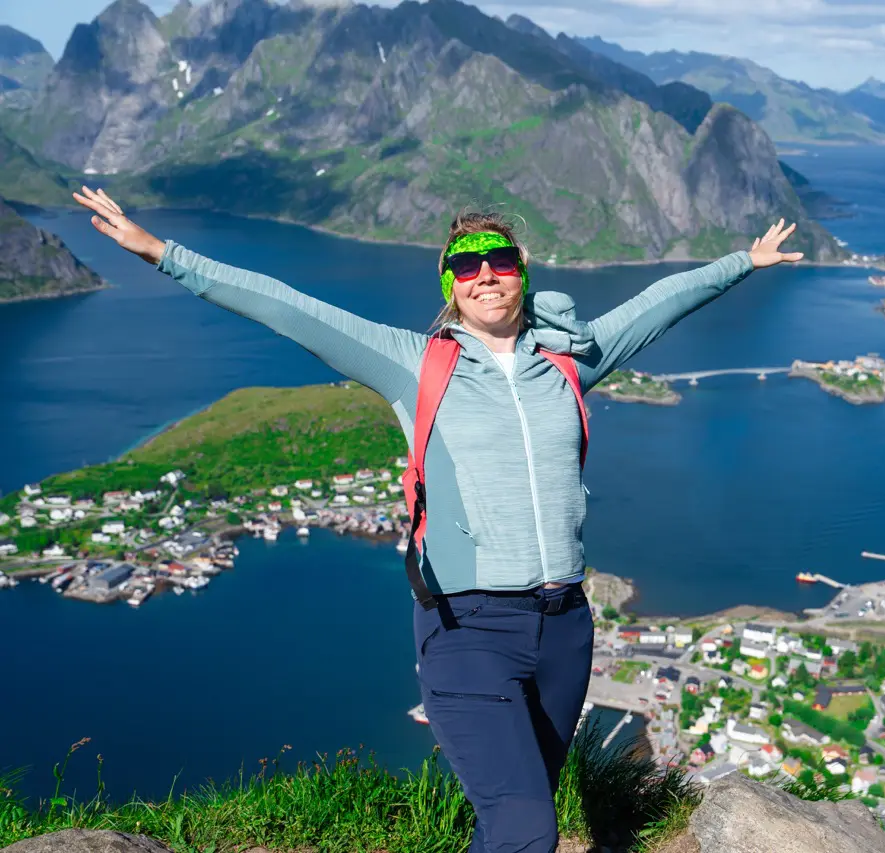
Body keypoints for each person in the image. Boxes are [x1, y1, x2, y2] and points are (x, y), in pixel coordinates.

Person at [72, 186, 804, 853]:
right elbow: (288, 306)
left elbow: (657, 304)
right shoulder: (414, 362)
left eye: (500, 259)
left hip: (565, 626)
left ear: (523, 271)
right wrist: (163, 254)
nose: (485, 273)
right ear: (450, 285)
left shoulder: (570, 362)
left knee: (516, 818)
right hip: (467, 627)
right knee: (526, 829)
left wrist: (742, 261)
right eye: (466, 264)